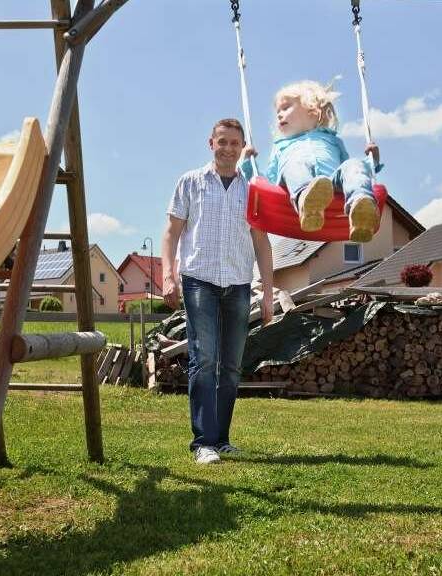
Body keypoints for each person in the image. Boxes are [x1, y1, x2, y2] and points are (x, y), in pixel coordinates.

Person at [162, 118, 274, 465]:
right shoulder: (190, 182)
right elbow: (171, 233)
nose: (228, 148)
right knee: (205, 359)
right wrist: (168, 275)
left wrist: (268, 293)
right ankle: (203, 442)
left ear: (242, 148)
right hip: (199, 281)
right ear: (211, 143)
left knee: (231, 366)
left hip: (238, 284)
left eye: (234, 143)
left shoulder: (252, 191)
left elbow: (262, 243)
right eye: (222, 142)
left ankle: (221, 440)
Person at [241, 80, 382, 242]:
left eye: (285, 108)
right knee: (294, 165)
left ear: (312, 111)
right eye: (278, 111)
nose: (279, 114)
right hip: (297, 188)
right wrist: (248, 165)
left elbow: (348, 173)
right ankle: (307, 203)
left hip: (331, 185)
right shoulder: (281, 147)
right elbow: (269, 181)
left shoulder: (333, 140)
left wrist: (372, 162)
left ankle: (361, 208)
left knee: (354, 164)